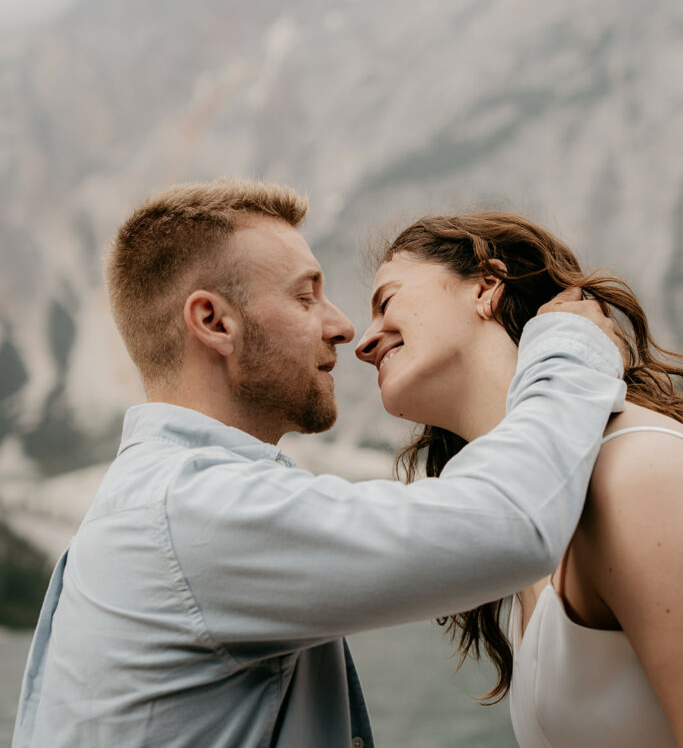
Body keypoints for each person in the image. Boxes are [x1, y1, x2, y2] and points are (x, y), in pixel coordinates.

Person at [13, 180, 626, 748]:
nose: (343, 327)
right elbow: (510, 524)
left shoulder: (162, 503)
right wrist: (569, 347)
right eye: (306, 297)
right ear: (214, 322)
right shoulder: (193, 511)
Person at [355, 210, 683, 746]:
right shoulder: (529, 532)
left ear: (486, 287)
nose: (363, 343)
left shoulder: (635, 469)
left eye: (385, 302)